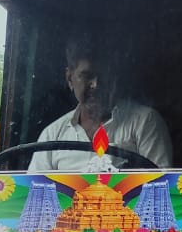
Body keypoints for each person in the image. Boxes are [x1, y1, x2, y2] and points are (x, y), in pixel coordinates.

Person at [29, 41, 172, 171]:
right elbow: (35, 193)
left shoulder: (144, 122)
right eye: (87, 76)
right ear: (69, 78)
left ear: (115, 79)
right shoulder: (52, 135)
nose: (96, 85)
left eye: (105, 76)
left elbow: (160, 186)